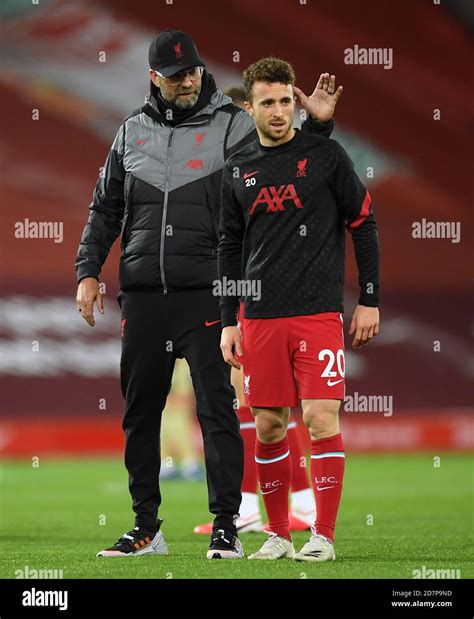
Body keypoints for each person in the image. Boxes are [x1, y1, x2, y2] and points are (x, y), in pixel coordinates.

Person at [75, 30, 338, 559]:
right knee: (140, 413)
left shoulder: (234, 124)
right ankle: (146, 528)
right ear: (154, 78)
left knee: (218, 411)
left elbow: (290, 161)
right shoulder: (130, 132)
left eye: (192, 70)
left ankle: (226, 526)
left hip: (211, 291)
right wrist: (86, 270)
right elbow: (105, 209)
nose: (187, 79)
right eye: (175, 75)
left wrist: (320, 125)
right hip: (145, 295)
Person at [218, 57, 380, 561]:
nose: (278, 111)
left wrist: (370, 299)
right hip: (259, 317)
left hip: (317, 312)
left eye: (286, 100)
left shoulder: (326, 155)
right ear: (249, 107)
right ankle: (277, 534)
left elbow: (364, 222)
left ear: (295, 101)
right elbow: (229, 245)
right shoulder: (238, 168)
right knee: (267, 425)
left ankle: (324, 537)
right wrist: (228, 320)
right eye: (267, 102)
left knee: (320, 416)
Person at [194, 87, 321, 535]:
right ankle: (297, 502)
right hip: (257, 289)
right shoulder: (239, 165)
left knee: (257, 404)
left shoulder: (252, 163)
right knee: (266, 406)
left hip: (262, 293)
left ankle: (253, 506)